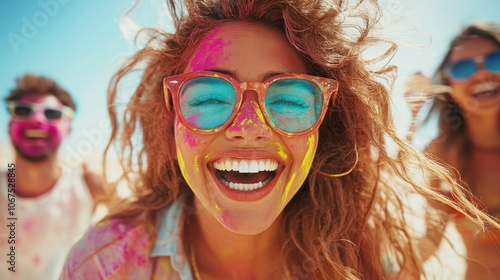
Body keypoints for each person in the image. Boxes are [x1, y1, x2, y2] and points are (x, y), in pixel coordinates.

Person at [60, 1, 499, 279]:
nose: (249, 125)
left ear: (324, 126)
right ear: (170, 117)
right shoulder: (103, 265)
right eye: (211, 96)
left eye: (288, 97)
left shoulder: (372, 258)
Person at [404, 22, 500, 279]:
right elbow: (428, 241)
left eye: (495, 60)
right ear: (450, 86)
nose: (481, 74)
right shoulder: (441, 156)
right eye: (463, 68)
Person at [0, 73, 109, 280]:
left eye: (52, 113)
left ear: (69, 128)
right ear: (9, 124)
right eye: (23, 110)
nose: (37, 120)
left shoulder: (88, 184)